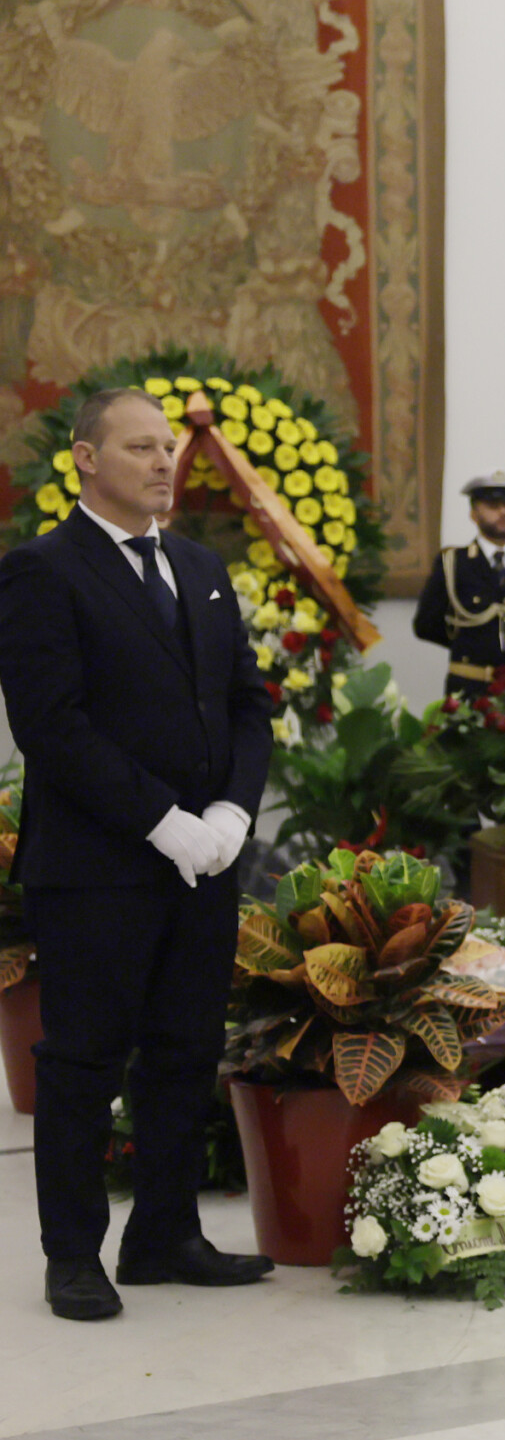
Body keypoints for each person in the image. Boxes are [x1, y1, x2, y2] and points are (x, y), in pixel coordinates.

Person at [0, 388, 276, 1321]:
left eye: (169, 446)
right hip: (98, 866)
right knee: (82, 1062)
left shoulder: (199, 564)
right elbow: (53, 725)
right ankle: (73, 1255)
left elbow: (245, 701)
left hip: (204, 862)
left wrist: (235, 810)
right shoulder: (42, 571)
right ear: (85, 459)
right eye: (141, 447)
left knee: (184, 1051)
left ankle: (165, 1236)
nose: (165, 462)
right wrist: (162, 819)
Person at [412, 471, 505, 702]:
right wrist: (468, 642)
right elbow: (425, 625)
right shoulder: (454, 562)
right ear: (474, 514)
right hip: (469, 687)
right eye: (493, 505)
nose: (503, 512)